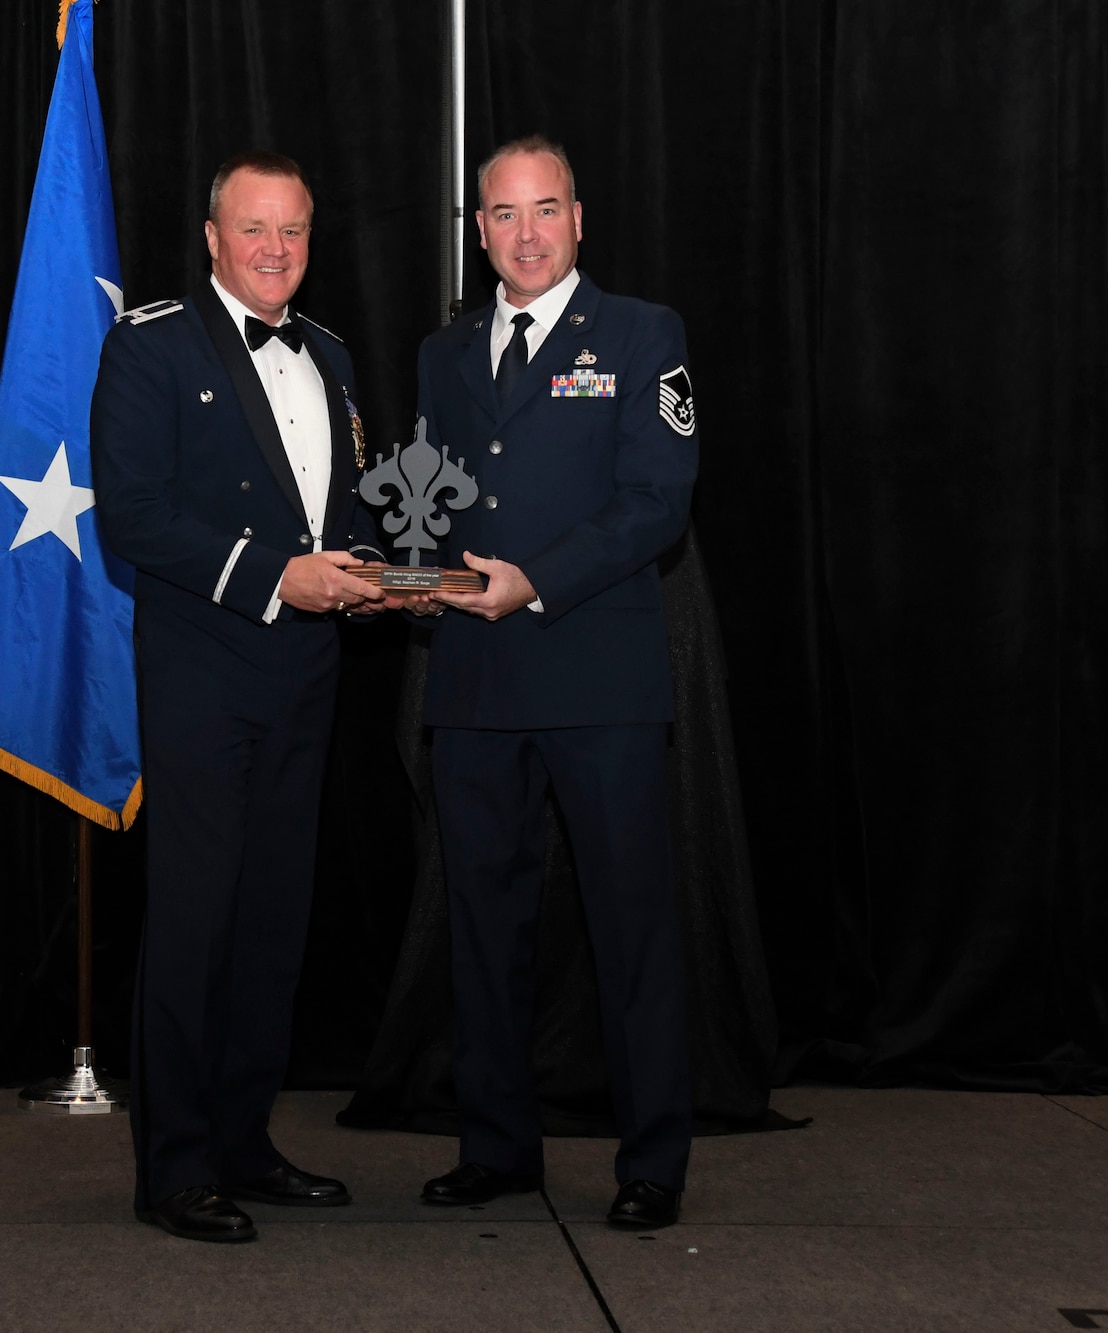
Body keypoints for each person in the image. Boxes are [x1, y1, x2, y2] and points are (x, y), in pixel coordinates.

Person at [91, 151, 395, 1243]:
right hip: (202, 674)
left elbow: (340, 509)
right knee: (193, 920)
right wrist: (276, 576)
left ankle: (241, 1140)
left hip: (308, 674)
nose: (274, 250)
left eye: (294, 230)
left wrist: (365, 576)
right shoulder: (150, 342)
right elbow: (129, 512)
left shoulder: (332, 353)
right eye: (253, 229)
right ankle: (172, 1167)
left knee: (272, 921)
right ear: (212, 238)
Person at [410, 135, 699, 1230]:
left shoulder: (641, 334)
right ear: (476, 230)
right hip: (474, 682)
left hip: (597, 679)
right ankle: (495, 1144)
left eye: (543, 210)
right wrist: (396, 569)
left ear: (578, 218)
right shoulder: (441, 354)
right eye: (500, 214)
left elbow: (657, 498)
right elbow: (425, 497)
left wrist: (537, 579)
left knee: (629, 926)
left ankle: (652, 1159)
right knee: (480, 926)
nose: (523, 233)